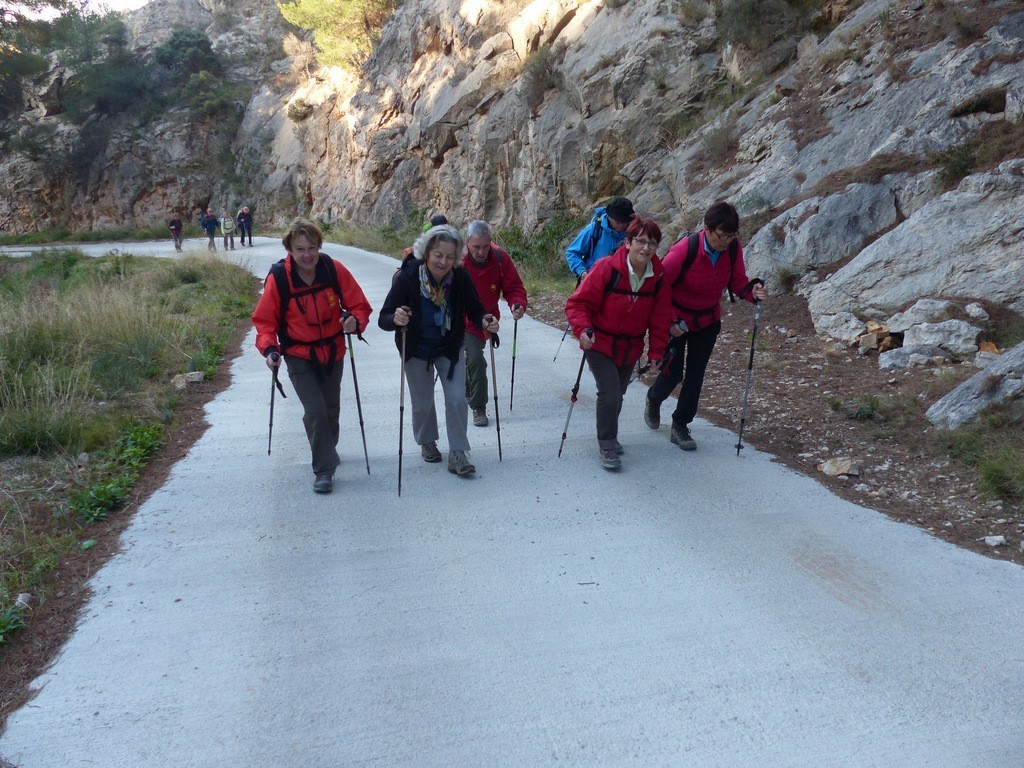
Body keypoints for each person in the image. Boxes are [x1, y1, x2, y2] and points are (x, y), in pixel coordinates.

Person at [252, 218, 373, 494]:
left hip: (333, 351)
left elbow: (359, 305)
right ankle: (324, 469)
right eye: (300, 249)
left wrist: (354, 320)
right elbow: (265, 321)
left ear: (319, 246)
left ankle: (328, 448)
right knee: (315, 410)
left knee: (331, 408)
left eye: (312, 248)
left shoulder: (333, 269)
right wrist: (270, 348)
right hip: (298, 354)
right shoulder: (279, 278)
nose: (307, 255)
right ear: (290, 250)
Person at [643, 201, 766, 451]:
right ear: (707, 229)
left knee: (696, 374)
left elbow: (737, 281)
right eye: (722, 236)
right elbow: (659, 287)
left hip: (708, 321)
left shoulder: (731, 250)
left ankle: (680, 425)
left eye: (732, 236)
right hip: (676, 320)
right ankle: (653, 398)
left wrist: (753, 293)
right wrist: (670, 321)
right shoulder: (682, 252)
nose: (726, 242)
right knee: (673, 372)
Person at [378, 225, 499, 477]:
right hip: (416, 348)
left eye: (450, 256)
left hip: (449, 346)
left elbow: (475, 309)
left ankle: (458, 452)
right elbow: (384, 317)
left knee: (456, 398)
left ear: (456, 258)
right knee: (422, 403)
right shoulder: (408, 277)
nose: (444, 261)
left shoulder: (460, 278)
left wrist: (485, 319)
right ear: (426, 253)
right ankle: (427, 441)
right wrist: (396, 318)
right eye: (438, 255)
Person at [565, 217, 670, 470]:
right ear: (627, 242)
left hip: (631, 346)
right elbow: (577, 303)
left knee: (619, 395)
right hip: (598, 342)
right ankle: (607, 443)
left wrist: (657, 351)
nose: (645, 248)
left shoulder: (658, 277)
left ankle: (609, 435)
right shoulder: (606, 268)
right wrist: (583, 329)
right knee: (610, 392)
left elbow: (660, 317)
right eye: (640, 241)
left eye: (652, 243)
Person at [462, 220, 527, 427]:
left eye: (485, 246)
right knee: (467, 361)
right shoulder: (457, 260)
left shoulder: (499, 258)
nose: (481, 252)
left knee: (474, 360)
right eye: (476, 247)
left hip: (484, 321)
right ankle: (472, 397)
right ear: (467, 243)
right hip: (457, 320)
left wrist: (517, 304)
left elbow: (513, 286)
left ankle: (475, 399)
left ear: (491, 242)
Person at [564, 196, 635, 281]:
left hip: (620, 285)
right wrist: (582, 271)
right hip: (594, 281)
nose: (621, 224)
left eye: (624, 221)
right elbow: (572, 253)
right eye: (618, 221)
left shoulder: (633, 234)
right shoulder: (594, 229)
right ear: (609, 217)